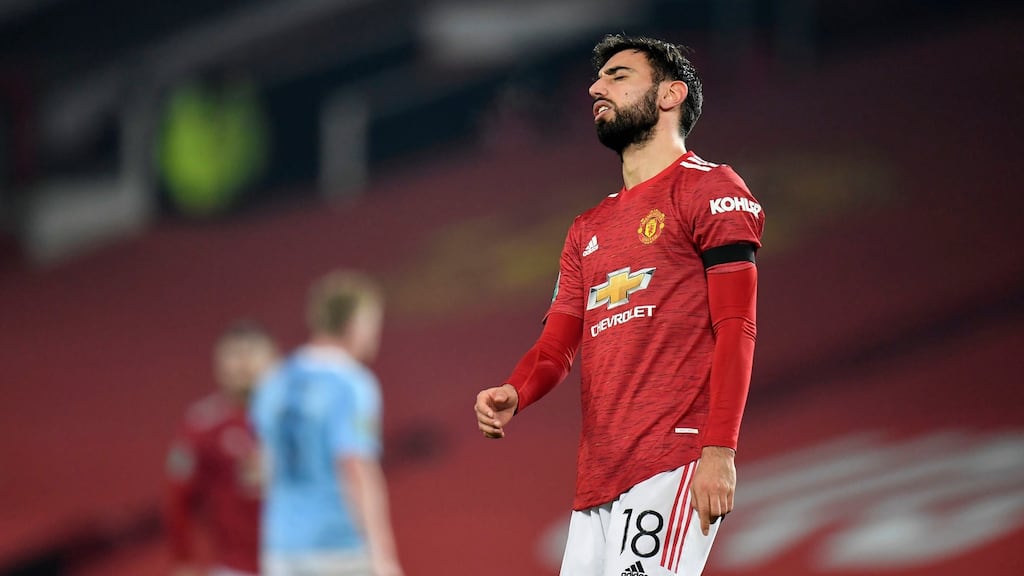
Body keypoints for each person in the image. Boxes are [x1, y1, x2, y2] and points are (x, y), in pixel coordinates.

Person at [474, 34, 765, 576]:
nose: (594, 88)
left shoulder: (710, 189)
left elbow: (736, 327)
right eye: (598, 77)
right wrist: (516, 390)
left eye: (618, 76)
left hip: (673, 460)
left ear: (669, 94)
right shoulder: (587, 227)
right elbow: (557, 348)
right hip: (599, 478)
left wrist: (719, 451)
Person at [251, 270, 402, 576]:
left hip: (281, 546)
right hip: (337, 547)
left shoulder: (274, 379)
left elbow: (262, 465)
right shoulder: (352, 384)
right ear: (355, 323)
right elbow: (356, 466)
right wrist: (382, 554)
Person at [165, 321, 279, 576]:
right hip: (236, 567)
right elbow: (179, 500)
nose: (243, 364)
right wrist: (183, 559)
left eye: (251, 353)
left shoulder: (299, 420)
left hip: (301, 561)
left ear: (274, 360)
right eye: (233, 355)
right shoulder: (202, 425)